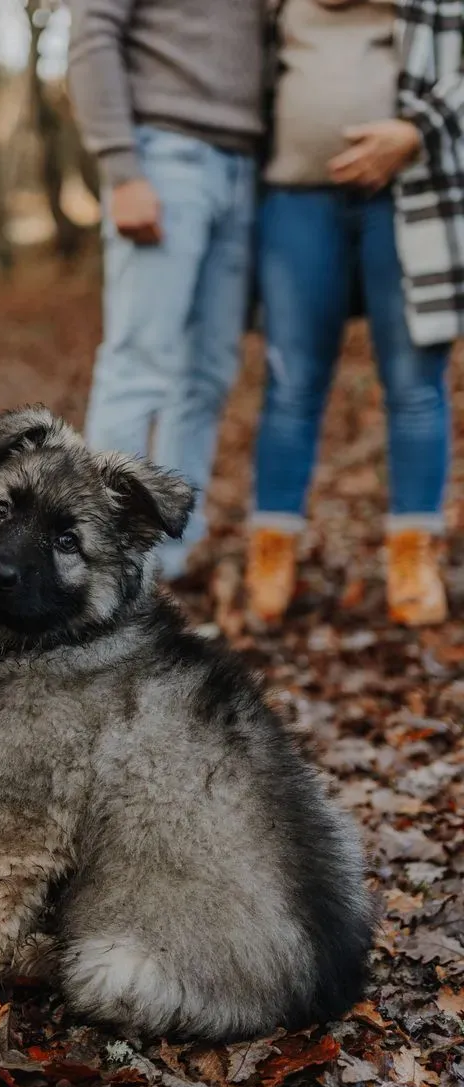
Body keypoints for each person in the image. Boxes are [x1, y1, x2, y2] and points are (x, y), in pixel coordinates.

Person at [246, 0, 464, 626]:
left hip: (409, 199)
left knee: (414, 384)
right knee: (291, 385)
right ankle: (271, 555)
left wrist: (416, 130)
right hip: (296, 203)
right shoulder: (273, 7)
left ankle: (413, 559)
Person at [68, 0, 266, 583]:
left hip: (243, 167)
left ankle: (164, 567)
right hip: (162, 155)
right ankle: (102, 566)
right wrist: (122, 168)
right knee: (139, 364)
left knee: (206, 376)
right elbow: (93, 28)